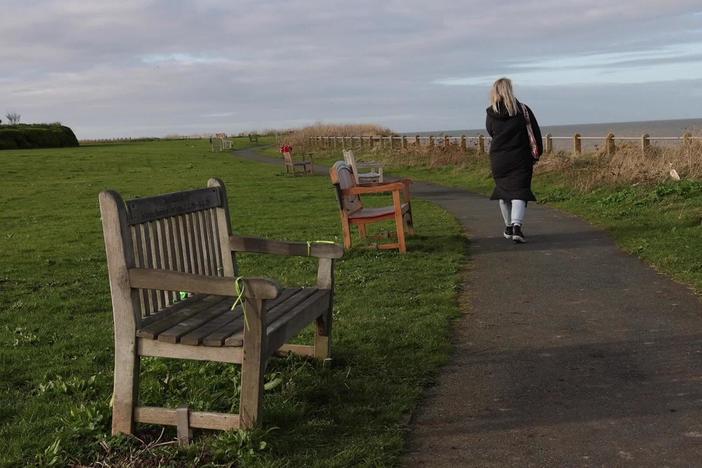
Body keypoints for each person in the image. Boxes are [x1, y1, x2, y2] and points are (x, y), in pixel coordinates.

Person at [485, 78, 543, 243]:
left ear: (495, 92)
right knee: (520, 192)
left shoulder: (491, 113)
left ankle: (508, 227)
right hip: (520, 157)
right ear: (510, 90)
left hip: (499, 159)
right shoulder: (523, 110)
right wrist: (537, 153)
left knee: (503, 194)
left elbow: (491, 132)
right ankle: (517, 227)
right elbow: (535, 133)